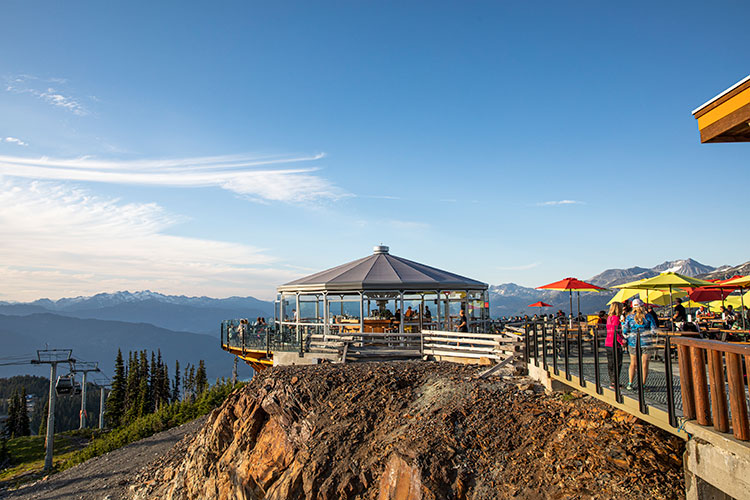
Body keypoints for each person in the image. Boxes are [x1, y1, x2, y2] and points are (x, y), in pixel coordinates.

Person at [623, 299, 658, 391]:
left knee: (633, 363)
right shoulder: (648, 316)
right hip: (646, 341)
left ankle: (630, 383)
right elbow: (654, 329)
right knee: (644, 364)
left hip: (633, 342)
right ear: (642, 306)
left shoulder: (629, 317)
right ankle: (642, 384)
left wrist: (628, 336)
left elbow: (625, 330)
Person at [605, 302, 626, 389]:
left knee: (611, 363)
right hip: (614, 343)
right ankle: (615, 381)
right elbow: (616, 332)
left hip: (608, 342)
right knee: (617, 363)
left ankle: (612, 381)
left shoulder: (609, 318)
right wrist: (622, 342)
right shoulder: (616, 319)